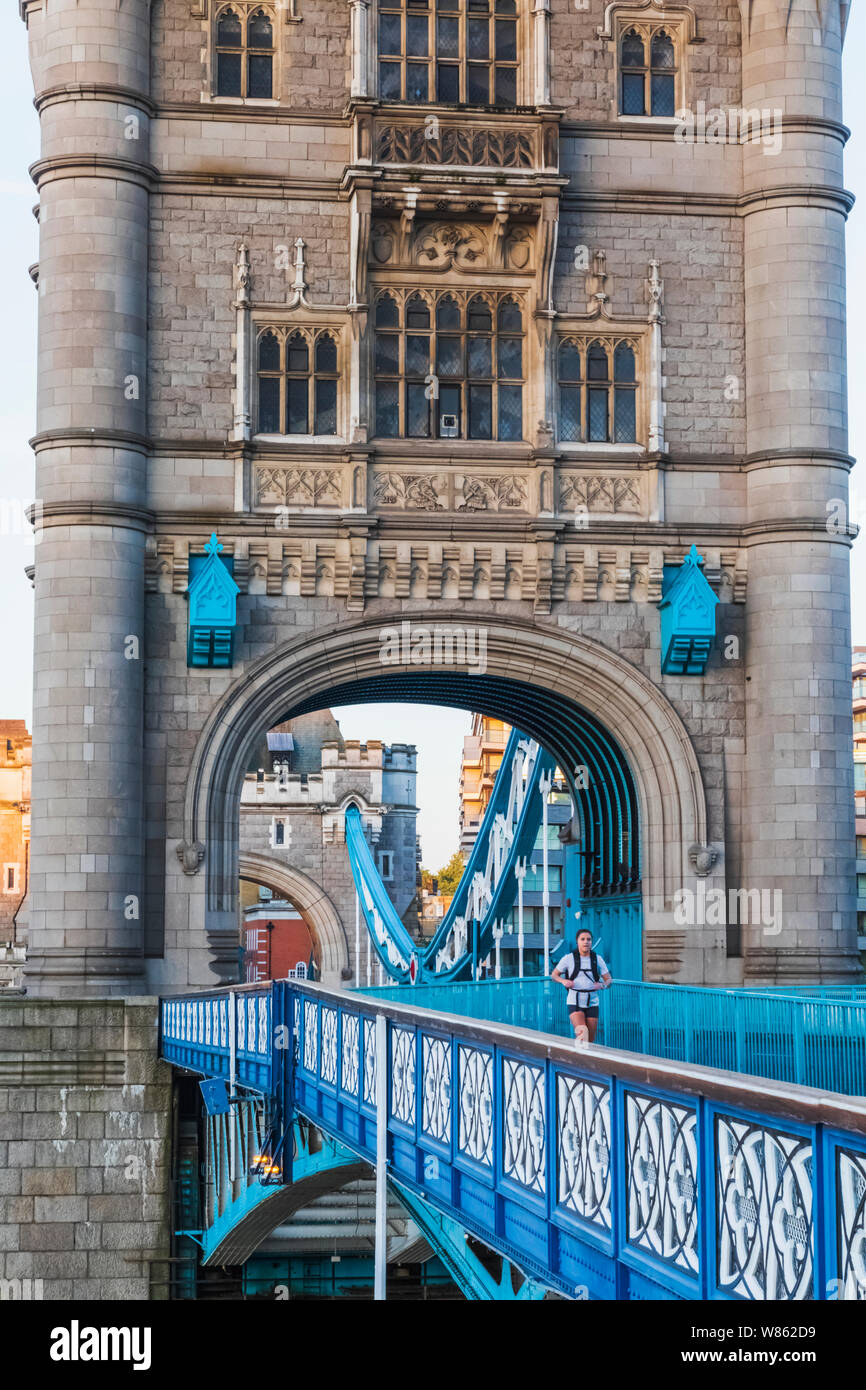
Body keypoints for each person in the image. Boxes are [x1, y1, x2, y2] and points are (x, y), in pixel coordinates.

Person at [551, 928, 612, 1048]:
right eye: (582, 939)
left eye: (589, 939)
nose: (586, 942)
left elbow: (609, 979)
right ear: (577, 941)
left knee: (590, 1040)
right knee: (582, 1033)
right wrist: (563, 981)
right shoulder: (568, 958)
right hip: (575, 1000)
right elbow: (554, 975)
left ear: (592, 942)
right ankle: (578, 1061)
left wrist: (602, 985)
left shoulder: (597, 959)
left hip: (592, 1001)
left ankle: (582, 1059)